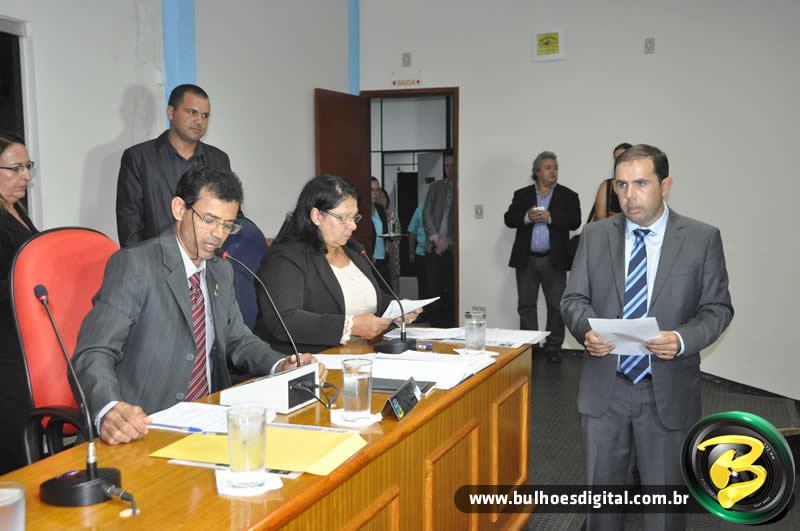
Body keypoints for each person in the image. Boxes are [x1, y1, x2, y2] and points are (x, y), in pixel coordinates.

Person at [73, 166, 322, 446]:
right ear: (179, 209)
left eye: (228, 225)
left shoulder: (220, 269)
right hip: (144, 426)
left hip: (209, 419)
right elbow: (94, 351)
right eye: (209, 220)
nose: (218, 234)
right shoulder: (137, 264)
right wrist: (109, 407)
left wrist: (281, 364)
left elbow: (238, 339)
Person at [561, 144, 733, 530]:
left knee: (664, 513)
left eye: (641, 183)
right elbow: (573, 300)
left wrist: (682, 339)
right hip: (605, 392)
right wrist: (586, 329)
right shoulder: (595, 236)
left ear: (665, 185)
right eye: (621, 185)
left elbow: (717, 309)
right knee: (602, 511)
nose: (629, 195)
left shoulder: (701, 238)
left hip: (667, 393)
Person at [255, 175, 421, 355]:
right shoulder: (286, 256)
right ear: (316, 216)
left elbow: (370, 301)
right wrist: (350, 326)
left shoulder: (355, 250)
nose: (353, 226)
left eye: (354, 217)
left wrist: (397, 309)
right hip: (312, 359)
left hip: (363, 353)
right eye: (343, 218)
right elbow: (283, 319)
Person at [116, 84, 231, 247]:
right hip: (157, 259)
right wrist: (144, 263)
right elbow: (130, 227)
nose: (199, 121)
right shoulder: (138, 158)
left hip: (207, 258)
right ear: (171, 112)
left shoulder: (218, 160)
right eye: (192, 112)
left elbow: (231, 214)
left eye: (205, 116)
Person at [504, 151, 581, 363]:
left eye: (555, 168)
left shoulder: (568, 195)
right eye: (548, 168)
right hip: (526, 259)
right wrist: (527, 217)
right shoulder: (522, 195)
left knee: (556, 305)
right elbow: (509, 219)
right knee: (526, 305)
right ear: (537, 171)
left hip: (554, 259)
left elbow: (575, 221)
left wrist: (551, 217)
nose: (553, 171)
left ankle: (553, 346)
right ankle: (530, 347)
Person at [0, 132, 38, 473]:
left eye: (28, 166)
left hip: (23, 336)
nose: (25, 175)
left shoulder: (16, 208)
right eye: (16, 168)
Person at [423, 151, 456, 326]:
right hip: (433, 247)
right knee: (433, 291)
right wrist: (436, 238)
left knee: (450, 293)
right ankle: (434, 328)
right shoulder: (435, 187)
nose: (449, 169)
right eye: (446, 166)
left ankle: (449, 328)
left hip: (452, 250)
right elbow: (426, 213)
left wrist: (448, 242)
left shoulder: (463, 188)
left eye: (452, 165)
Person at [591, 142, 632, 221]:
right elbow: (600, 218)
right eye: (616, 158)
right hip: (611, 229)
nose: (619, 161)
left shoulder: (643, 184)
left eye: (623, 157)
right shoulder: (607, 186)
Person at [369, 177, 390, 281]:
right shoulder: (361, 210)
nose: (375, 193)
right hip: (370, 259)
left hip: (383, 257)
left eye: (377, 190)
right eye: (372, 190)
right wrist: (368, 253)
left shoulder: (380, 209)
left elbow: (384, 232)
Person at [407, 204, 427, 299]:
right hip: (420, 253)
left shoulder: (440, 209)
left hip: (437, 254)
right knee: (422, 287)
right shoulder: (419, 210)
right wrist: (411, 253)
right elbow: (412, 232)